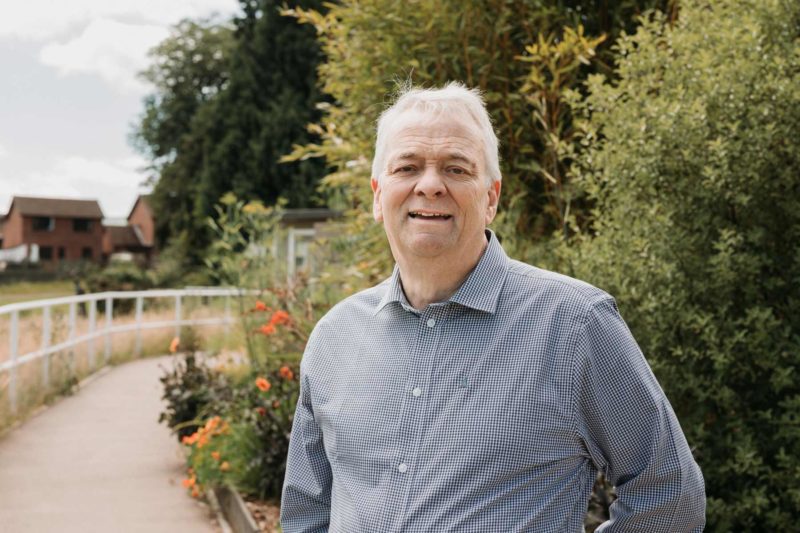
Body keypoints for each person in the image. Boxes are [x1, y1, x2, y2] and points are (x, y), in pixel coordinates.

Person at [281, 82, 706, 532]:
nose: (429, 185)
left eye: (456, 169)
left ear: (491, 198)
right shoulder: (335, 337)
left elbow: (670, 494)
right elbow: (307, 514)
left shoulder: (575, 325)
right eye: (407, 167)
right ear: (376, 195)